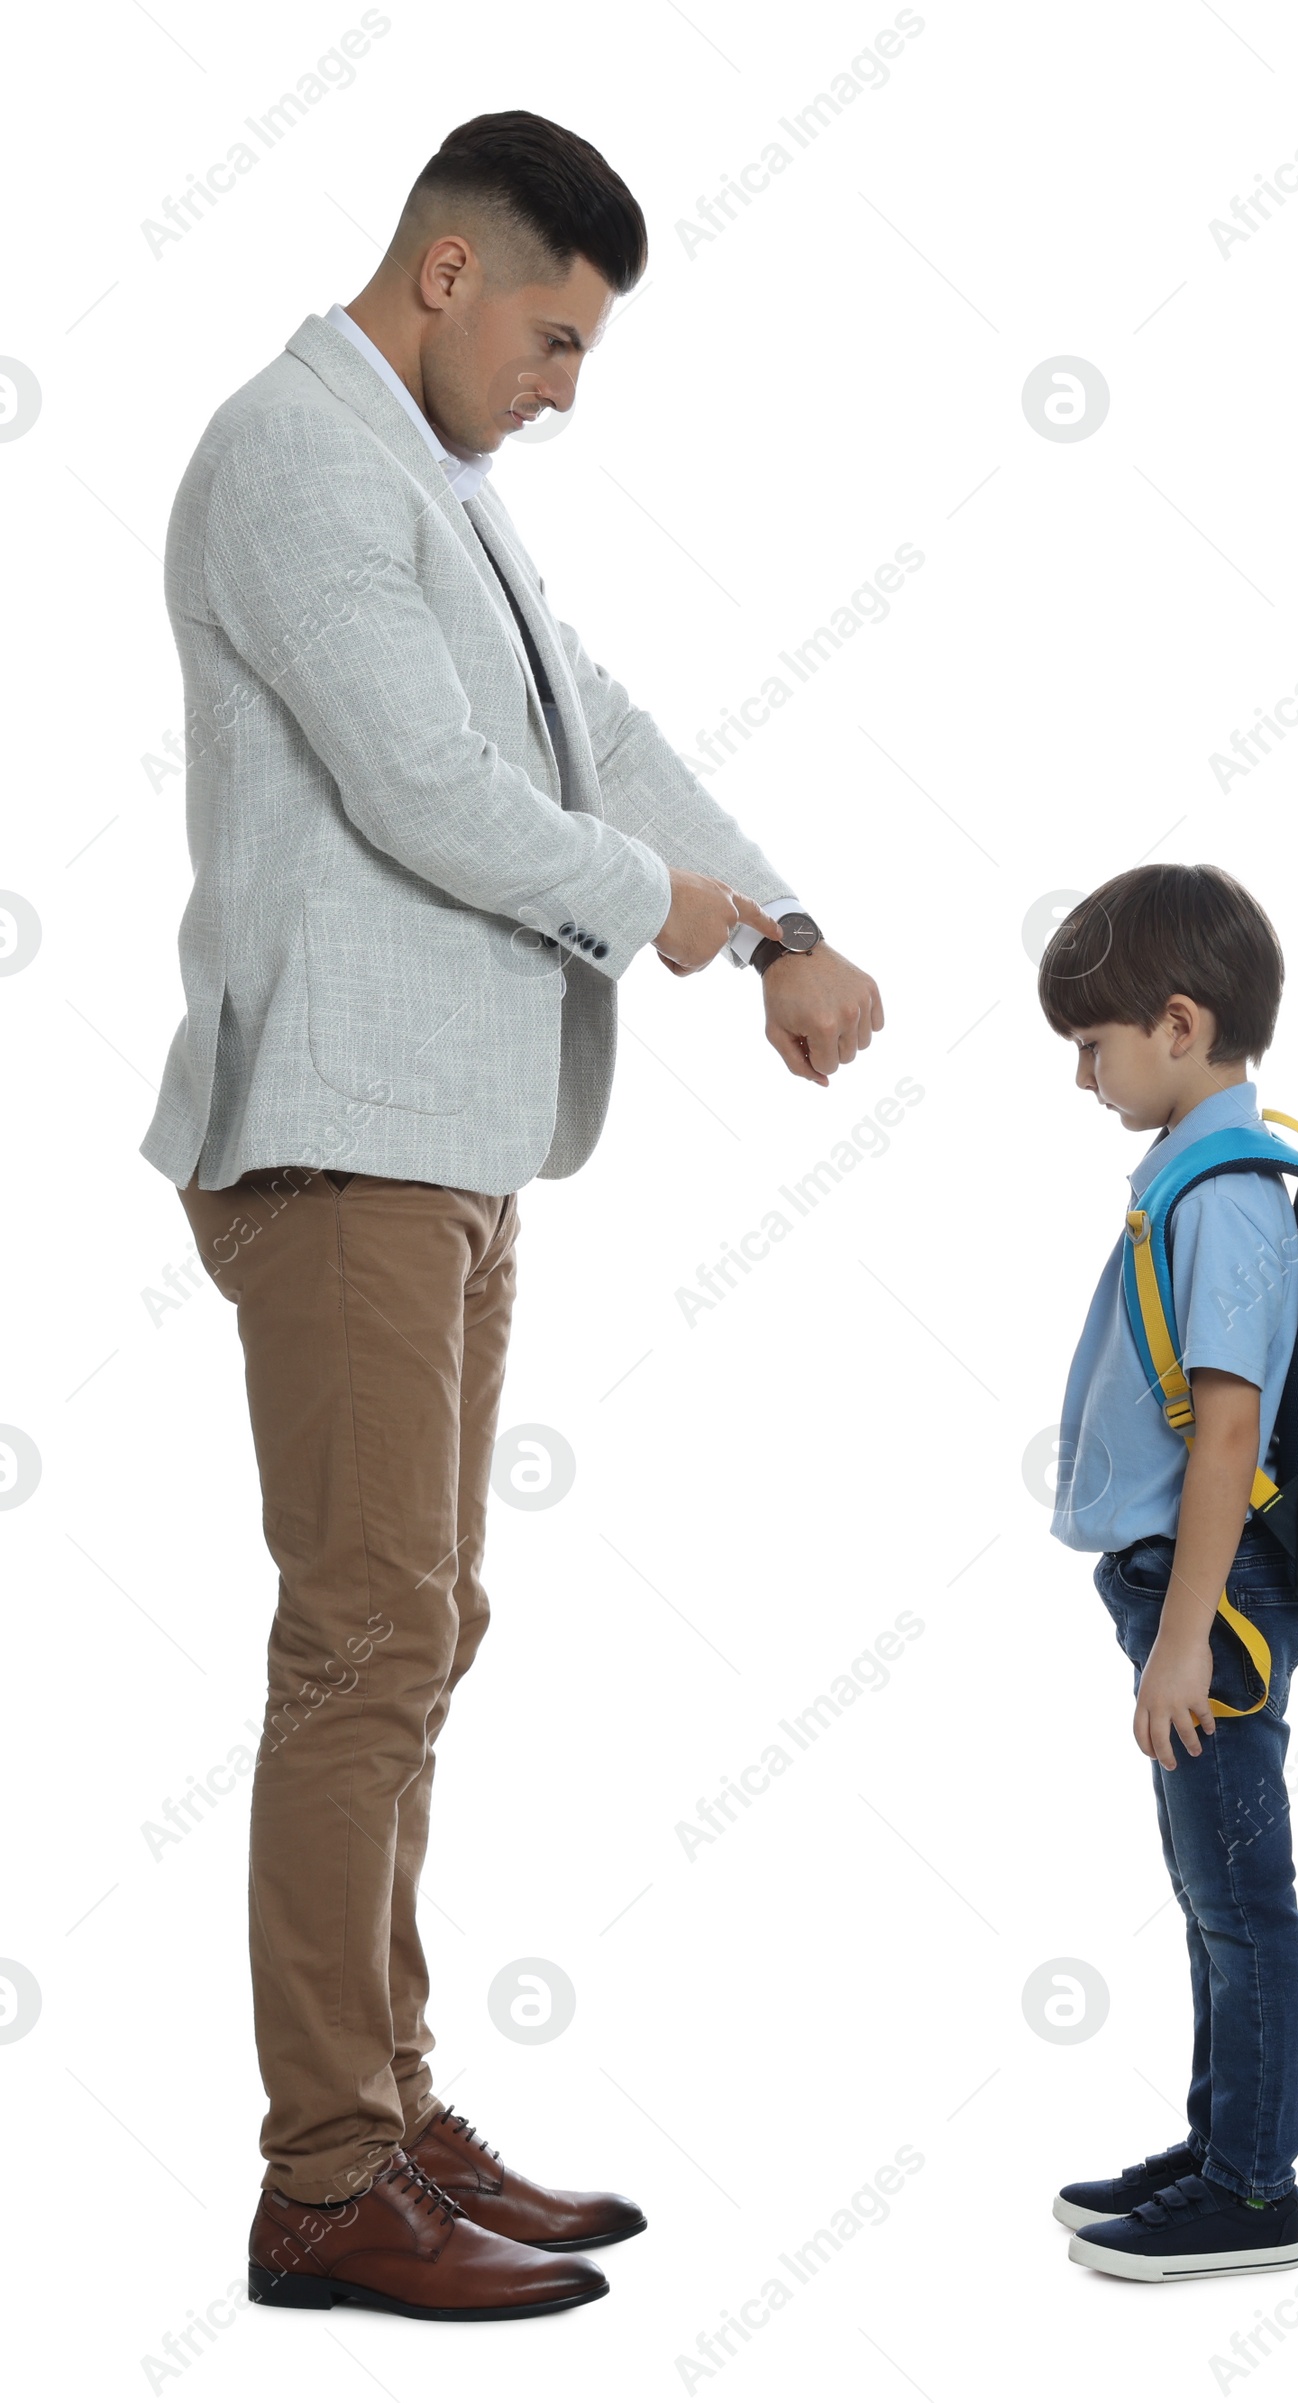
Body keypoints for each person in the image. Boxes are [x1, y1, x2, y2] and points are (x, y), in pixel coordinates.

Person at [139, 109, 882, 2323]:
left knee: (418, 1632)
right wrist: (666, 912)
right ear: (447, 275)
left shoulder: (437, 486)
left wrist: (775, 920)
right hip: (342, 1135)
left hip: (449, 1142)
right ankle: (323, 2177)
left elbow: (598, 729)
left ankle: (390, 2097)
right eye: (554, 338)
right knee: (365, 1642)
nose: (567, 386)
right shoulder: (295, 457)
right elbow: (431, 794)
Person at [1039, 864, 1298, 2282]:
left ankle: (1255, 2191)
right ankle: (1222, 2148)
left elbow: (1226, 1435)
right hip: (1185, 1594)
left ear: (1182, 1024)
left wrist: (1183, 1641)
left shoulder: (1222, 1199)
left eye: (1096, 1046)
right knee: (1211, 1886)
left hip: (1212, 1602)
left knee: (1239, 1896)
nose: (1085, 1076)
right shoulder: (1196, 1182)